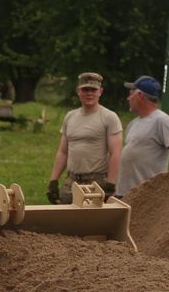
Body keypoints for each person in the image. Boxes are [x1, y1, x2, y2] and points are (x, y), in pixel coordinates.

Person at [47, 72, 123, 204]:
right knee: (65, 222)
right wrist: (53, 181)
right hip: (71, 182)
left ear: (100, 91)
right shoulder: (70, 116)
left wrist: (110, 185)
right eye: (85, 89)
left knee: (92, 223)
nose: (89, 93)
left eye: (93, 90)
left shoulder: (109, 117)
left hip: (96, 183)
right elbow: (63, 152)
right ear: (78, 91)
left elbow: (115, 153)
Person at [115, 75, 169, 198]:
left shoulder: (161, 120)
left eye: (131, 94)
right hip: (125, 193)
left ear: (140, 96)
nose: (128, 98)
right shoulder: (133, 123)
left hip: (147, 196)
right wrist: (118, 190)